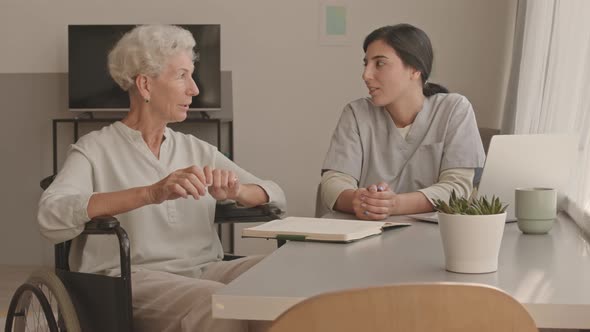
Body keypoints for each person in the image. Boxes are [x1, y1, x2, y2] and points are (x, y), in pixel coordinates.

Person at [38, 24, 286, 332]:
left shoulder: (195, 149)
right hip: (131, 278)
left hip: (205, 271)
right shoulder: (95, 149)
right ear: (145, 85)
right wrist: (151, 193)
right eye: (182, 75)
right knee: (218, 301)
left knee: (281, 279)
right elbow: (51, 215)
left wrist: (237, 190)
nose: (194, 89)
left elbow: (274, 193)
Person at [320, 23, 485, 220]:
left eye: (379, 63)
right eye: (366, 64)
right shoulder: (356, 113)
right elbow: (333, 183)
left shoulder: (454, 109)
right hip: (366, 236)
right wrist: (358, 199)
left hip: (435, 237)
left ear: (415, 69)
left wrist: (394, 204)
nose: (366, 75)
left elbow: (458, 188)